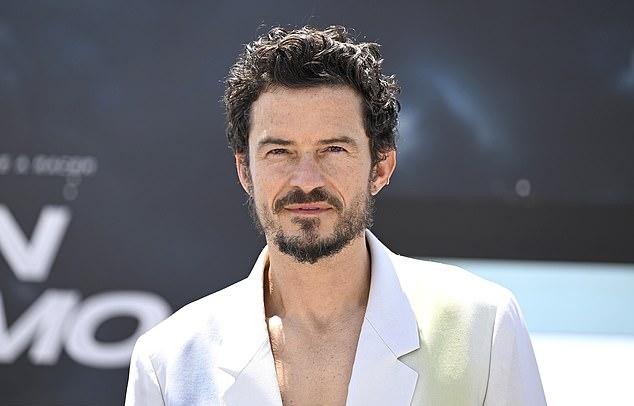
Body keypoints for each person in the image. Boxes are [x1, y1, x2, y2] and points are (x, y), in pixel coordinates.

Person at [125, 25, 546, 406]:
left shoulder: (483, 326)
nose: (306, 180)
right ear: (244, 171)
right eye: (279, 151)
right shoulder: (170, 361)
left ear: (380, 167)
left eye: (333, 149)